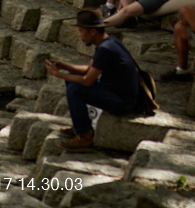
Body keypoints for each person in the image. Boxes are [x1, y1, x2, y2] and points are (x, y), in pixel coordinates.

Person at [45, 9, 140, 152]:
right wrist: (64, 66)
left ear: (93, 31)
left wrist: (58, 74)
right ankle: (83, 125)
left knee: (75, 89)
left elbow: (87, 81)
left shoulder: (105, 49)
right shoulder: (108, 41)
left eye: (81, 31)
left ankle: (84, 137)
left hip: (123, 102)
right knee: (72, 79)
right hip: (112, 91)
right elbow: (88, 69)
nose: (80, 35)